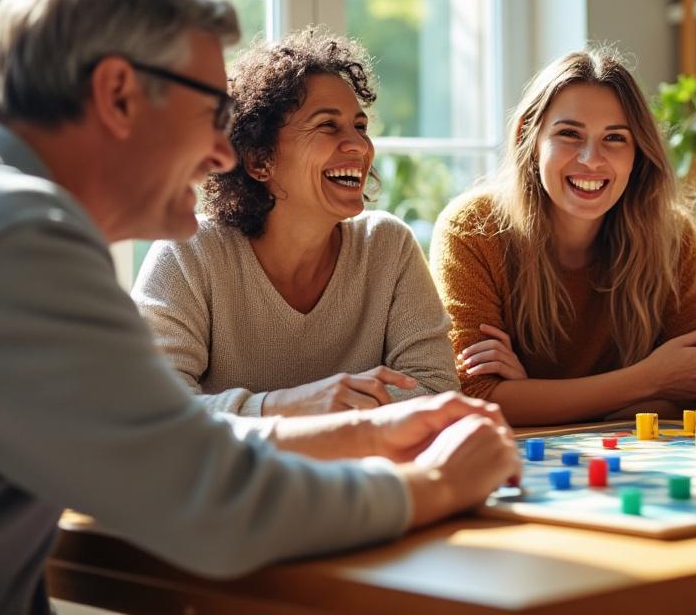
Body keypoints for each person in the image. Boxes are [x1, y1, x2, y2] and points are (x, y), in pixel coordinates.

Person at [0, 0, 518, 613]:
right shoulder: (15, 241)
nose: (224, 150)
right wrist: (433, 483)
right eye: (209, 112)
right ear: (118, 94)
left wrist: (363, 433)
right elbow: (212, 508)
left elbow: (157, 442)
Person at [133, 28, 459, 416]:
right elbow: (154, 410)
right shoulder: (189, 253)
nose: (359, 145)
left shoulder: (388, 246)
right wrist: (286, 407)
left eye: (360, 127)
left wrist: (326, 413)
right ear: (258, 160)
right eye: (327, 125)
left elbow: (437, 390)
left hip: (357, 476)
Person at [430, 49, 696, 425]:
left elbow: (692, 392)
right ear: (528, 139)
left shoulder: (672, 237)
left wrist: (530, 396)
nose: (590, 159)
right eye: (569, 134)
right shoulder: (471, 229)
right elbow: (476, 398)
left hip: (633, 462)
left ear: (638, 152)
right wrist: (650, 378)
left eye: (614, 138)